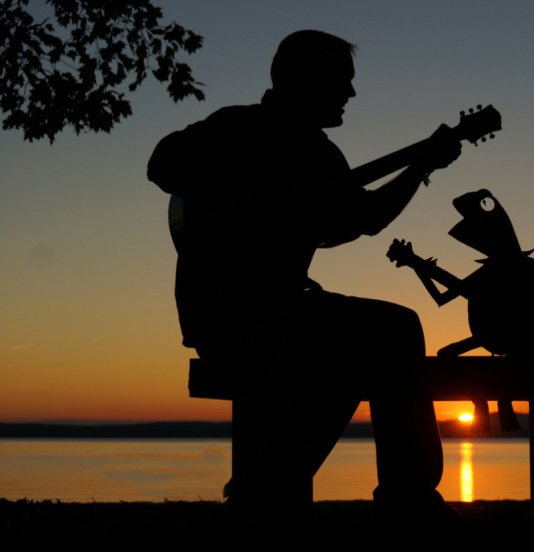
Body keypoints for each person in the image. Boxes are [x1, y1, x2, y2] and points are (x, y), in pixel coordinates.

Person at [147, 30, 461, 521]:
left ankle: (273, 481)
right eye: (343, 82)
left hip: (256, 313)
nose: (351, 94)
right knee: (396, 331)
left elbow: (359, 219)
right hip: (238, 315)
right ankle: (407, 496)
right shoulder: (238, 128)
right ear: (308, 81)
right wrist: (253, 184)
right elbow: (161, 164)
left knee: (369, 340)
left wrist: (419, 165)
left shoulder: (318, 155)